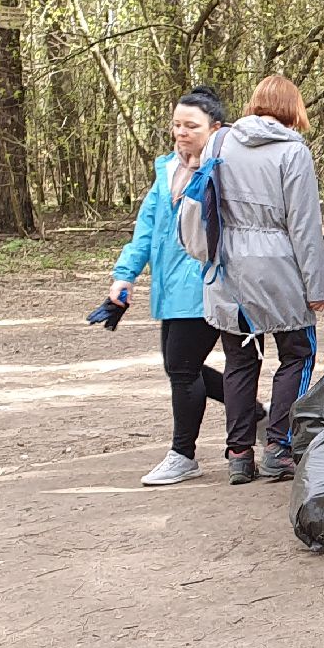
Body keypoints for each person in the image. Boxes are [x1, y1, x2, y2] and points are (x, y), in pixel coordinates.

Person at [175, 75, 324, 484]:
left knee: (240, 361)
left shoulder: (221, 142)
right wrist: (315, 288)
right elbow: (304, 226)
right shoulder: (294, 153)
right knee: (296, 354)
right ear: (294, 109)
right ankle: (279, 446)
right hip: (279, 268)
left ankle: (239, 453)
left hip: (226, 270)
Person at [113, 87, 232, 486]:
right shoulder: (166, 170)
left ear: (214, 128)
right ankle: (256, 414)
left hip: (205, 283)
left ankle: (183, 454)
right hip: (168, 287)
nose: (181, 132)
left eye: (191, 126)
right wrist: (125, 275)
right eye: (177, 124)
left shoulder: (223, 168)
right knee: (184, 367)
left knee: (181, 369)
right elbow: (145, 230)